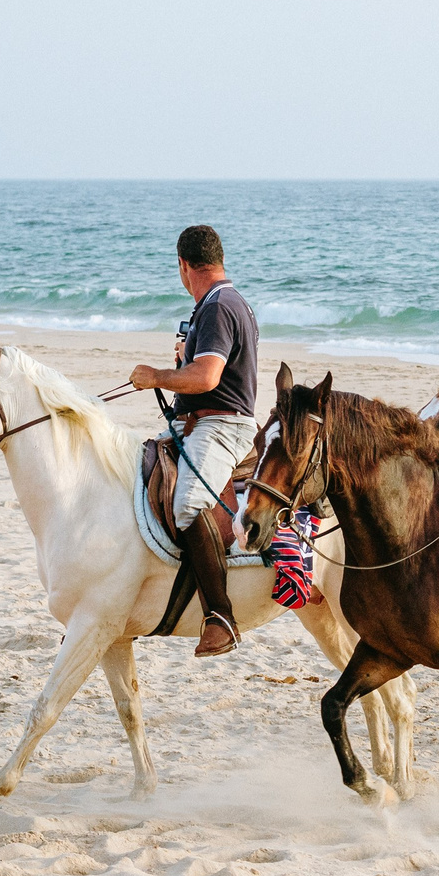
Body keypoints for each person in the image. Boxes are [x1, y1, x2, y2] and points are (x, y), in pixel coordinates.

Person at [128, 225, 260, 657]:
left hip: (222, 426)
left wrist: (157, 377)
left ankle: (221, 617)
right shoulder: (217, 303)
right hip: (197, 421)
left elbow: (207, 378)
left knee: (187, 503)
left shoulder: (219, 306)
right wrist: (183, 362)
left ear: (184, 266)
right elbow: (200, 370)